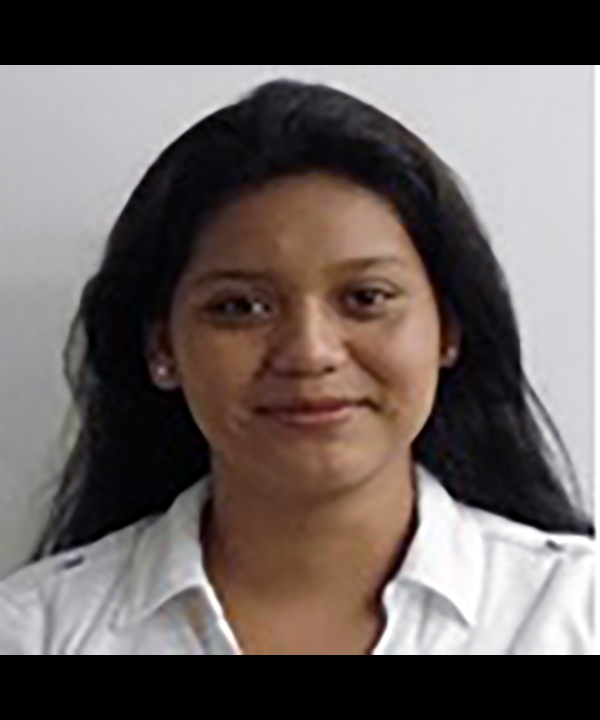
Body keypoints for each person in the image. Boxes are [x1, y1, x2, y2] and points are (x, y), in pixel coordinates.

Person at [0, 79, 594, 655]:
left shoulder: (576, 614)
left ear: (448, 329)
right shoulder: (35, 633)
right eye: (240, 307)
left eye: (365, 298)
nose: (311, 352)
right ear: (163, 349)